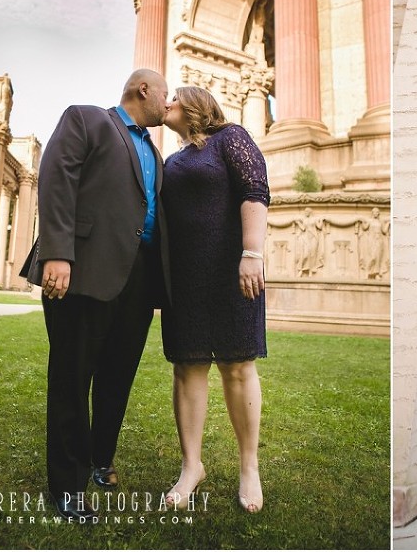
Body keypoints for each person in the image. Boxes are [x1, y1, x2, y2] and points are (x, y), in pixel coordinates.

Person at [20, 68, 169, 521]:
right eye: (165, 94)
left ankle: (101, 459)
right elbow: (56, 177)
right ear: (143, 89)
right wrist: (57, 253)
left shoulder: (156, 153)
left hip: (138, 280)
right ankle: (67, 486)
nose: (168, 102)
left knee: (117, 376)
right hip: (83, 270)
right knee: (71, 377)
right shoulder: (86, 119)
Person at [160, 85, 270, 514]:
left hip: (231, 270)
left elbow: (255, 191)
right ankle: (192, 466)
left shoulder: (231, 138)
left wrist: (252, 253)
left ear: (195, 104)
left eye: (174, 98)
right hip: (185, 277)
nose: (166, 103)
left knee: (237, 365)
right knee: (187, 366)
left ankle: (249, 466)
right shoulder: (171, 161)